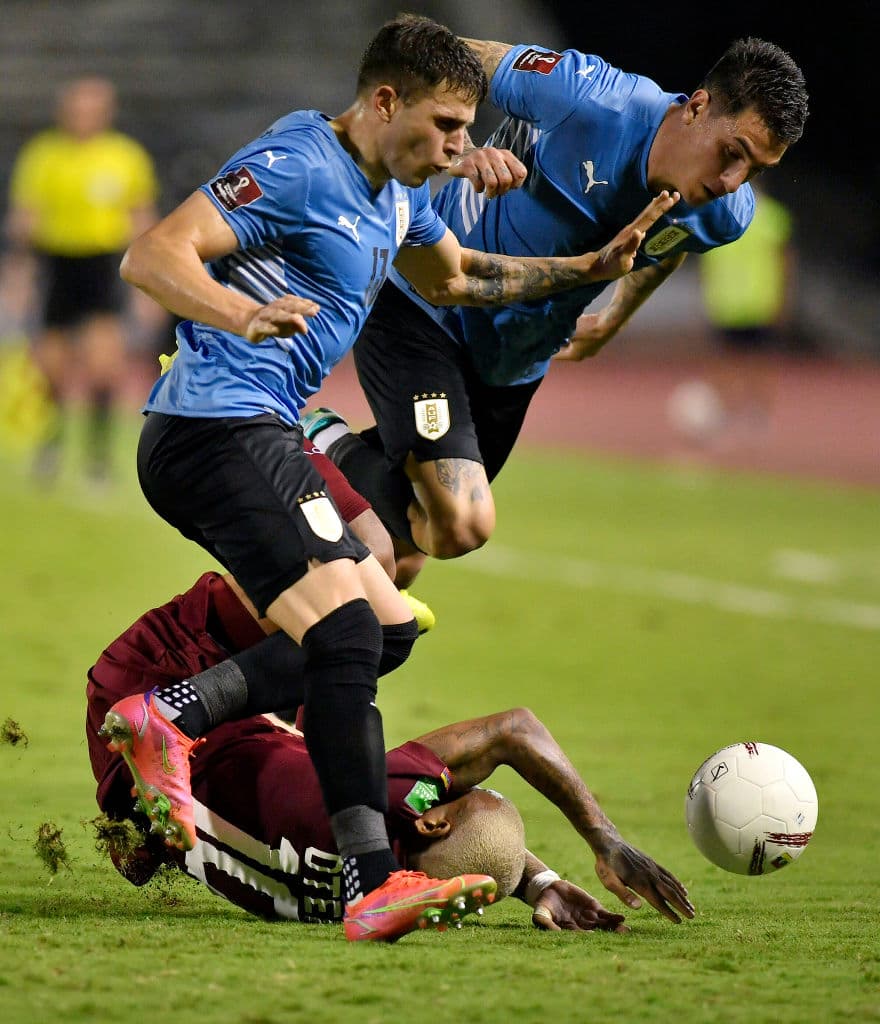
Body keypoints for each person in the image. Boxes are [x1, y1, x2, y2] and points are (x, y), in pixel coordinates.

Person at [103, 13, 677, 943]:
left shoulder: (399, 199)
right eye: (449, 126)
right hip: (211, 427)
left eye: (468, 129)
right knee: (345, 632)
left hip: (263, 434)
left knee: (385, 629)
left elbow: (457, 280)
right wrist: (237, 315)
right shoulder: (297, 159)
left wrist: (585, 270)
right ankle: (363, 878)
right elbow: (154, 254)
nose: (463, 145)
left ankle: (173, 715)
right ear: (383, 101)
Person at [303, 35, 809, 586]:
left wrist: (616, 316)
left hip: (512, 365)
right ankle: (320, 436)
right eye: (732, 153)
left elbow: (667, 245)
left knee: (405, 552)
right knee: (458, 523)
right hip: (426, 306)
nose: (732, 182)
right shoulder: (588, 96)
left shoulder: (725, 213)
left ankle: (293, 644)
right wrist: (459, 150)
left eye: (754, 170)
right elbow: (427, 51)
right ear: (698, 107)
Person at [87, 569, 695, 933]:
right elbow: (453, 848)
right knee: (330, 722)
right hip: (144, 795)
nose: (454, 786)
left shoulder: (388, 805)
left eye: (459, 797)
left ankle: (312, 445)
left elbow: (516, 729)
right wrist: (534, 883)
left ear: (429, 816)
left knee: (363, 596)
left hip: (162, 684)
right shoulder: (366, 880)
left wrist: (604, 839)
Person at [4, 76, 159, 484]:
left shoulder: (124, 156)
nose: (82, 116)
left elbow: (141, 220)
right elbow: (25, 216)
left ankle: (97, 459)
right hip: (57, 264)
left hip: (102, 265)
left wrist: (149, 284)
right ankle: (50, 446)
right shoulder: (43, 156)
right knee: (50, 367)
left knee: (103, 365)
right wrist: (18, 275)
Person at [684, 181, 797, 449]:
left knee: (753, 362)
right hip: (733, 301)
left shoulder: (770, 215)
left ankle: (755, 417)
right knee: (734, 362)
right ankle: (729, 417)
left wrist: (783, 298)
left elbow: (785, 259)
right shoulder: (720, 216)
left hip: (752, 301)